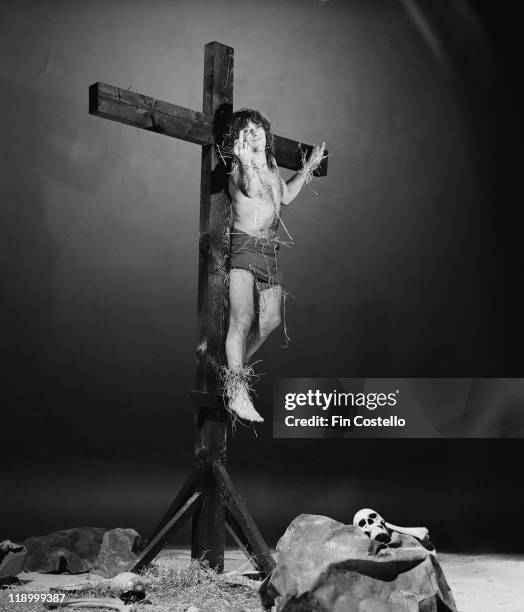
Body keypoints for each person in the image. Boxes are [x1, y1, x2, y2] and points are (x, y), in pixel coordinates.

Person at [223, 109, 325, 422]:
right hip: (243, 246)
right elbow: (250, 189)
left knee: (270, 321)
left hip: (269, 251)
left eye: (258, 127)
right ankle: (237, 391)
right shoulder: (238, 167)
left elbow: (286, 197)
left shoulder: (272, 169)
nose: (254, 132)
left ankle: (231, 371)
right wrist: (243, 161)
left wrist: (308, 167)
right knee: (241, 319)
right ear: (239, 137)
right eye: (247, 128)